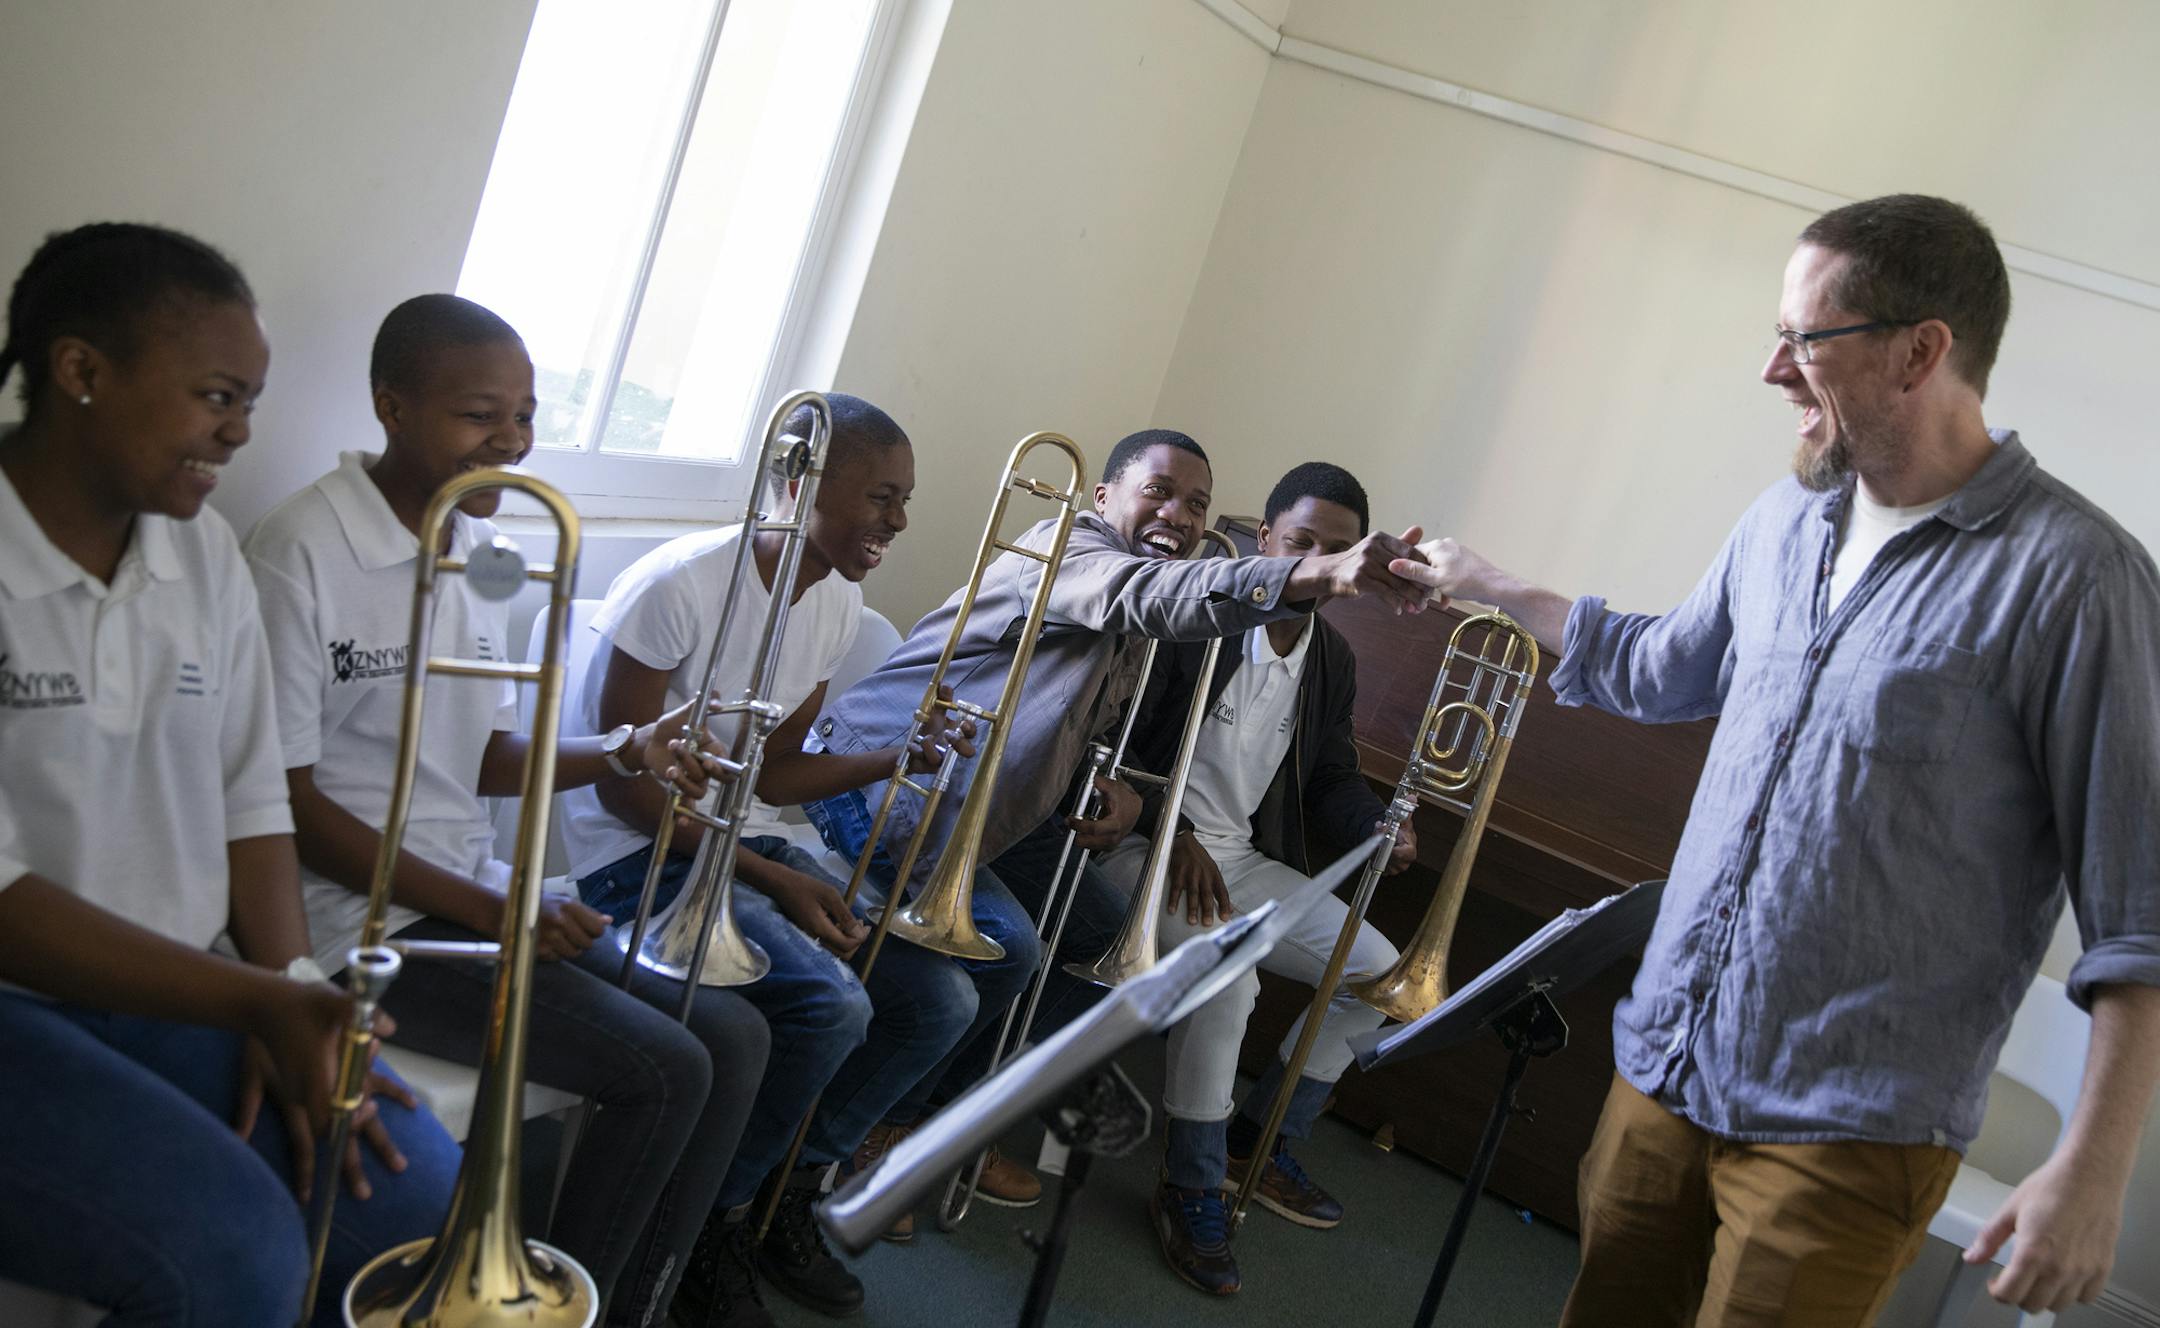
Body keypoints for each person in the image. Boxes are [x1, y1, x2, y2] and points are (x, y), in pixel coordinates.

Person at [1390, 195, 2160, 1325]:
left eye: (1805, 337)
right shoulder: (1783, 522)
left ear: (1920, 351)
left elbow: (2140, 906)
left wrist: (2094, 1174)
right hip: (1666, 1068)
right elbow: (1663, 667)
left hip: (1846, 1133)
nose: (1773, 369)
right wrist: (1492, 583)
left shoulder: (2078, 577)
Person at [244, 293, 770, 1327]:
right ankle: (545, 1310)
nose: (513, 443)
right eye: (480, 415)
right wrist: (499, 912)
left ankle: (634, 1294)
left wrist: (622, 745)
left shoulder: (482, 551)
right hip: (362, 923)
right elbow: (286, 805)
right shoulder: (298, 550)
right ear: (391, 406)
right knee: (665, 1069)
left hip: (471, 896)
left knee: (740, 1036)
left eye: (525, 415)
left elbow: (484, 753)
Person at [0, 222, 459, 1326]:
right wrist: (252, 997)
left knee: (413, 1192)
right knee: (231, 1252)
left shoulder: (198, 553)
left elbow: (253, 802)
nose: (240, 431)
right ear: (81, 372)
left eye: (251, 400)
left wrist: (293, 986)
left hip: (174, 981)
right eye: (217, 394)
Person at [803, 430, 1433, 1226]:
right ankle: (872, 1137)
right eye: (1159, 491)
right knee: (1017, 949)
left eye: (1197, 503)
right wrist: (1323, 574)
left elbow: (1103, 734)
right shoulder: (1065, 545)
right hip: (885, 778)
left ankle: (932, 1120)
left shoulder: (1209, 613)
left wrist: (1127, 792)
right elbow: (1140, 594)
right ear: (1104, 497)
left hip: (999, 806)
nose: (1179, 512)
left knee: (1106, 951)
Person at [565, 392, 973, 1326]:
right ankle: (704, 1221)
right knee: (830, 1005)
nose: (898, 522)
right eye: (879, 497)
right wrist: (779, 879)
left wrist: (893, 758)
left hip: (740, 847)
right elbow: (621, 789)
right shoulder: (681, 586)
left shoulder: (836, 602)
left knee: (937, 1002)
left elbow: (779, 775)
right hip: (632, 858)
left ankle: (783, 1190)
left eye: (904, 499)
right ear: (799, 484)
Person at [1100, 461, 1417, 1295]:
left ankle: (1259, 1143)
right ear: (1267, 539)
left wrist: (1378, 822)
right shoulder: (1198, 617)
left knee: (1383, 974)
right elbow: (1115, 735)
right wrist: (1170, 829)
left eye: (1338, 550)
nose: (1318, 558)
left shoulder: (1330, 660)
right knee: (1226, 981)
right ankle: (1191, 1182)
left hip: (1236, 861)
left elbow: (1330, 775)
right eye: (1301, 541)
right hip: (1139, 845)